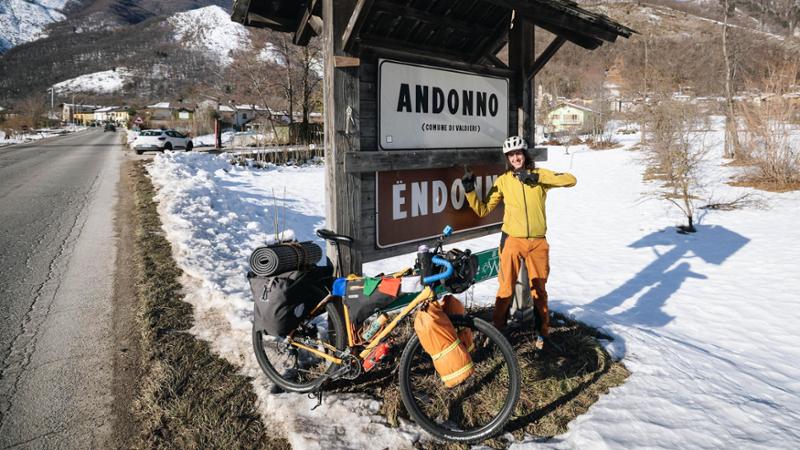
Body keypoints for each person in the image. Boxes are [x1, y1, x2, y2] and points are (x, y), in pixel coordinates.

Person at [461, 135, 576, 349]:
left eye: (518, 153)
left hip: (538, 243)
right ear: (508, 158)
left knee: (539, 290)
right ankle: (497, 333)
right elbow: (482, 209)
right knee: (506, 288)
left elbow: (571, 179)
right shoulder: (503, 181)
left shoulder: (539, 175)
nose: (515, 158)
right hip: (512, 240)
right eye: (511, 155)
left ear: (525, 154)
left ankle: (542, 334)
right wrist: (469, 191)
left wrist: (536, 178)